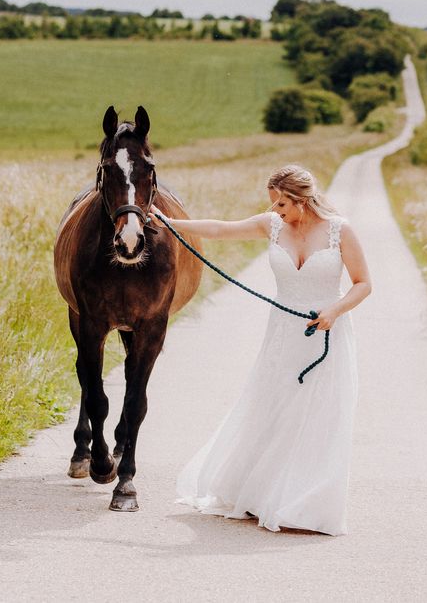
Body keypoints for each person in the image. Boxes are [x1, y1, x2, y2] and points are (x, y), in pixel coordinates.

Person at [151, 164, 371, 536]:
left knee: (317, 416)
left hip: (326, 333)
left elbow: (363, 283)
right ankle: (260, 493)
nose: (276, 212)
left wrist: (334, 310)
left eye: (282, 205)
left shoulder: (339, 231)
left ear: (302, 200)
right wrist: (170, 222)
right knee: (274, 409)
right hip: (283, 334)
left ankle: (303, 503)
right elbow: (220, 228)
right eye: (274, 204)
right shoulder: (271, 225)